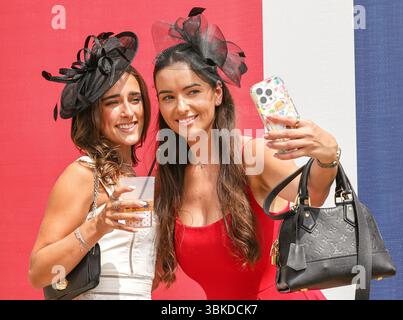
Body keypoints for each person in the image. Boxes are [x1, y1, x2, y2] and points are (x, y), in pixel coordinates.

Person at [152, 8, 339, 300]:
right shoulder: (170, 178)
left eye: (192, 92)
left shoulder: (252, 155)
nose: (181, 107)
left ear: (216, 94)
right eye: (168, 97)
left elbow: (313, 195)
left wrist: (328, 154)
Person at [28, 32, 158, 300]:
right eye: (113, 102)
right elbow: (39, 273)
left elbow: (137, 280)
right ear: (94, 114)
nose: (128, 112)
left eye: (135, 99)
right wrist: (98, 224)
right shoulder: (83, 174)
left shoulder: (135, 180)